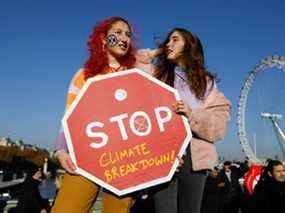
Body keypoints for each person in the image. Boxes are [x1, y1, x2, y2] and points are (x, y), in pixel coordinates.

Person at [51, 17, 155, 213]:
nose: (124, 38)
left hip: (125, 160)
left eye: (128, 34)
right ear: (103, 39)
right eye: (117, 32)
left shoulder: (138, 77)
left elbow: (150, 117)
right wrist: (61, 151)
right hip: (85, 156)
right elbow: (69, 117)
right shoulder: (84, 75)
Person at [152, 28, 231, 213]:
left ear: (189, 45)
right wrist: (156, 52)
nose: (168, 44)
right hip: (162, 152)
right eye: (167, 41)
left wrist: (191, 114)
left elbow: (219, 125)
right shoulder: (157, 75)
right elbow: (135, 65)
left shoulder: (207, 83)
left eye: (175, 40)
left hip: (195, 155)